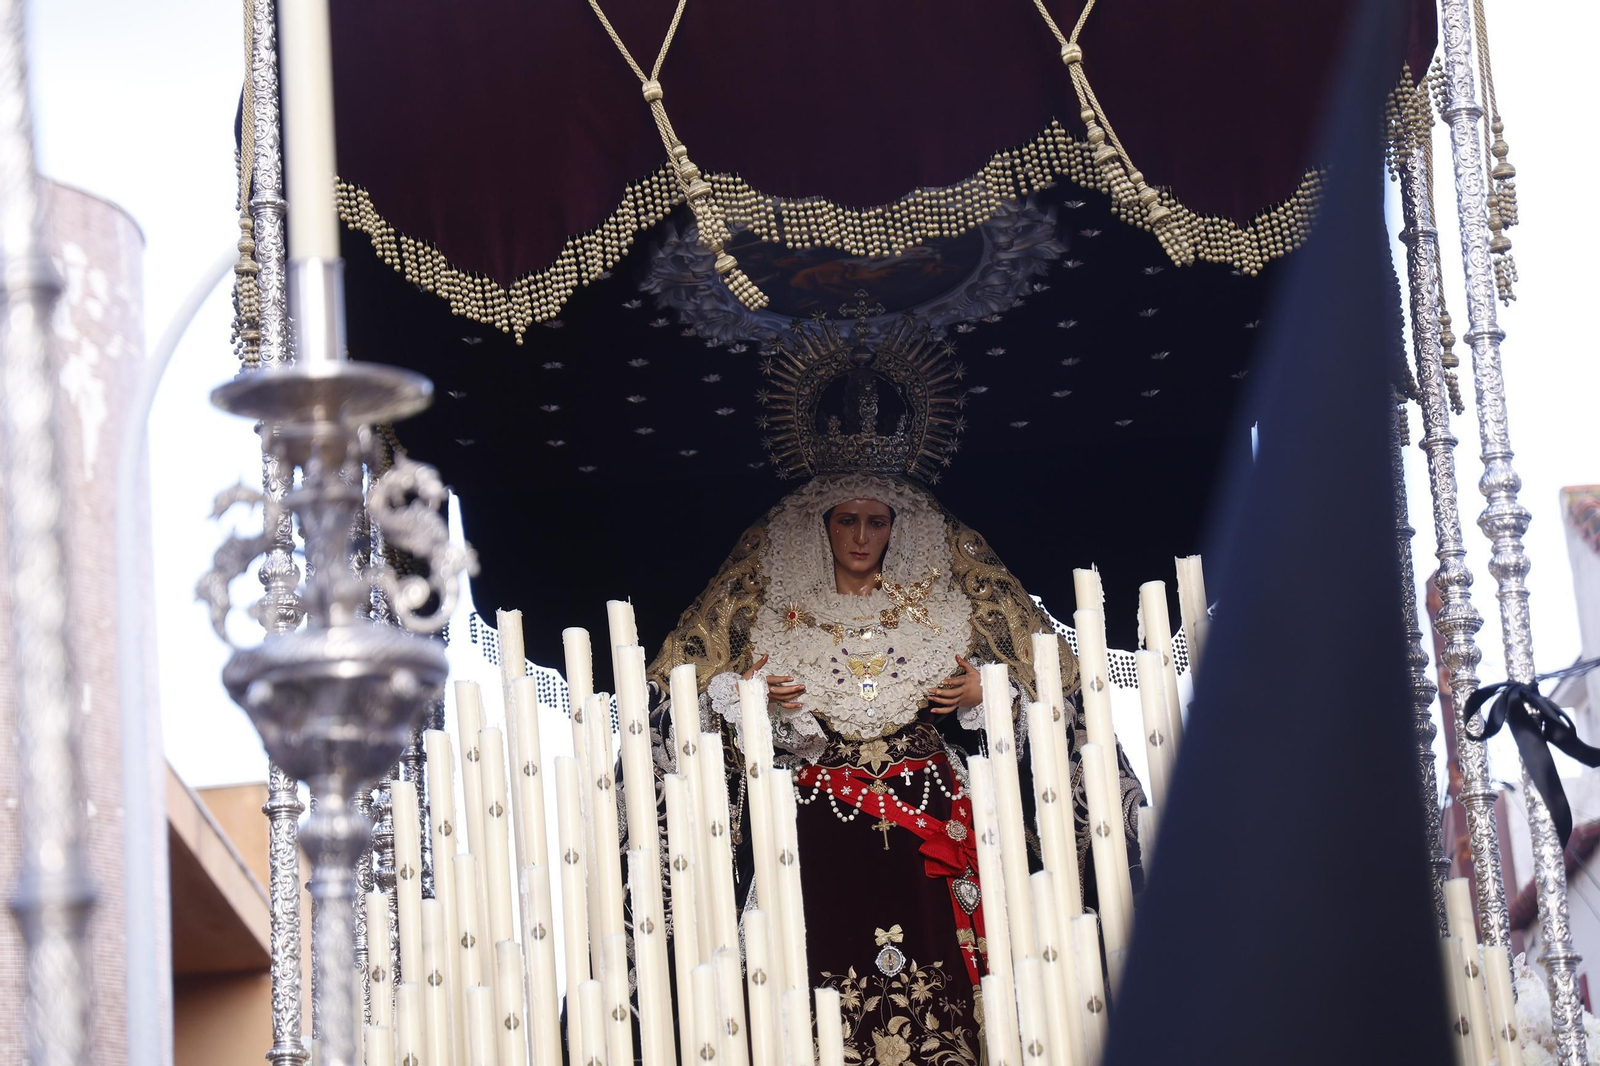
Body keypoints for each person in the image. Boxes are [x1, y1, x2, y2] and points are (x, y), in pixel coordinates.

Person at [645, 469, 1147, 1059]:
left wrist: (986, 694)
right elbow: (694, 713)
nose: (861, 537)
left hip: (931, 813)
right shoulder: (776, 613)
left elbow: (1042, 698)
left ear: (897, 528)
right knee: (823, 957)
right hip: (822, 821)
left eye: (876, 522)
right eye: (846, 520)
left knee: (950, 969)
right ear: (821, 525)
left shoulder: (944, 607)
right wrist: (750, 701)